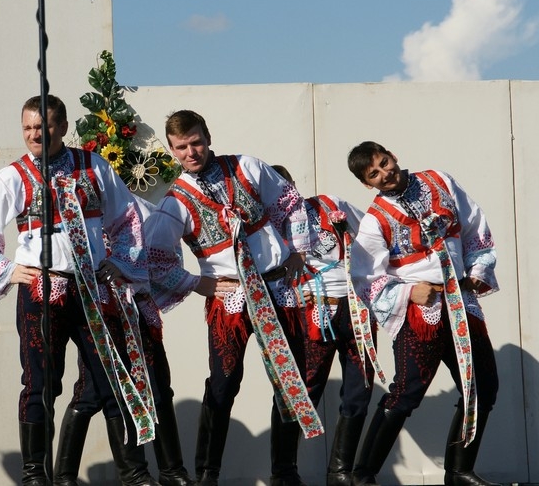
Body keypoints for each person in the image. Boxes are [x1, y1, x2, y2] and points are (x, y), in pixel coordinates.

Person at [0, 94, 157, 486]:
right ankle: (35, 474)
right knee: (40, 384)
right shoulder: (13, 177)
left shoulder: (93, 166)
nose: (35, 135)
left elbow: (128, 217)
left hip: (92, 288)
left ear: (62, 127)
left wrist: (120, 262)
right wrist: (7, 270)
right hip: (42, 291)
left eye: (43, 126)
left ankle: (135, 474)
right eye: (28, 128)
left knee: (114, 378)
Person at [143, 109, 324, 486]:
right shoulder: (176, 200)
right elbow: (155, 257)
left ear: (207, 137)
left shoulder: (246, 167)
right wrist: (196, 283)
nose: (190, 152)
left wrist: (299, 250)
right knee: (224, 383)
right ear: (173, 150)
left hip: (276, 288)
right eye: (181, 147)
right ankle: (208, 474)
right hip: (232, 299)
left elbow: (290, 202)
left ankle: (285, 472)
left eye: (195, 142)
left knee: (289, 378)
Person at [347, 141, 499, 486]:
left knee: (483, 386)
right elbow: (364, 277)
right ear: (367, 184)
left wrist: (478, 268)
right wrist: (407, 291)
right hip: (421, 310)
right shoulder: (374, 220)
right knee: (407, 392)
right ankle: (362, 475)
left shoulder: (439, 181)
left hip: (460, 302)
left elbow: (474, 226)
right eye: (374, 173)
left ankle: (459, 472)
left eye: (384, 162)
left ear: (393, 156)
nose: (385, 173)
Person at [53, 197, 194, 486]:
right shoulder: (81, 205)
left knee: (157, 386)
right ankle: (69, 477)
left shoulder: (142, 207)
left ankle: (171, 470)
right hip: (103, 309)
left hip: (136, 306)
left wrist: (135, 275)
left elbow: (160, 255)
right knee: (94, 391)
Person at [272, 165, 384, 486]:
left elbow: (373, 236)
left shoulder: (328, 204)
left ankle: (340, 472)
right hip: (311, 312)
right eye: (275, 192)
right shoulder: (267, 229)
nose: (284, 196)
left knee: (359, 390)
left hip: (355, 307)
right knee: (302, 390)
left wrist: (371, 284)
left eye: (287, 187)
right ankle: (283, 473)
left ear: (295, 185)